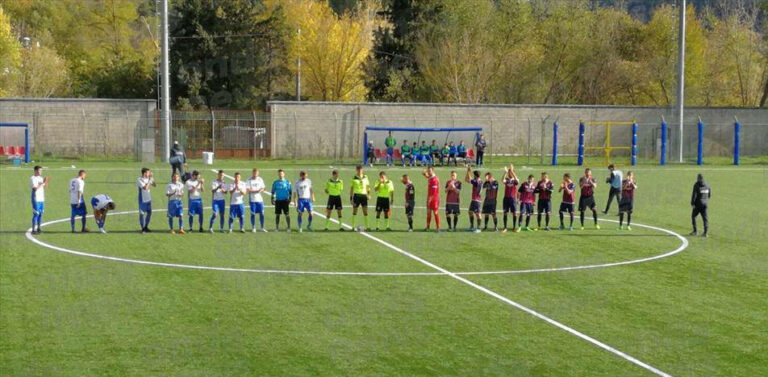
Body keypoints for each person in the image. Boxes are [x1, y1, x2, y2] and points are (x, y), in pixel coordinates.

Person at [349, 165, 371, 231]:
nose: (359, 171)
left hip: (364, 196)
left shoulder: (366, 177)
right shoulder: (354, 178)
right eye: (358, 169)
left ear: (362, 170)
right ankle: (352, 227)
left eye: (360, 169)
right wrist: (351, 198)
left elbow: (368, 187)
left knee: (365, 211)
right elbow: (351, 189)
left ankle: (367, 227)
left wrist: (369, 194)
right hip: (356, 196)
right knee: (354, 211)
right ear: (356, 170)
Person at [29, 165, 49, 234]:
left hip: (41, 198)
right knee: (36, 214)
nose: (41, 171)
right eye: (39, 170)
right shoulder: (33, 178)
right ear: (35, 171)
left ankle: (39, 228)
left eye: (41, 170)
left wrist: (45, 182)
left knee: (41, 213)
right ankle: (33, 229)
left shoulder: (41, 178)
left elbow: (44, 187)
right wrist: (43, 183)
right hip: (36, 198)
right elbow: (35, 189)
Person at [247, 168, 267, 232]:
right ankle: (253, 228)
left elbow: (263, 188)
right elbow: (248, 190)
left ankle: (262, 227)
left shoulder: (260, 179)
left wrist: (261, 190)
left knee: (262, 213)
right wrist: (256, 191)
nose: (255, 174)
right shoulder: (249, 180)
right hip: (252, 200)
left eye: (256, 173)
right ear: (252, 173)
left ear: (258, 173)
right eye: (254, 173)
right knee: (253, 214)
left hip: (260, 200)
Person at [137, 167, 156, 233]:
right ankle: (143, 228)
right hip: (142, 199)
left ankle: (146, 227)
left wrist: (152, 179)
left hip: (148, 199)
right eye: (148, 172)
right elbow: (145, 188)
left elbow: (154, 185)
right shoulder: (139, 180)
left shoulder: (149, 179)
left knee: (149, 213)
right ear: (144, 173)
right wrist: (149, 181)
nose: (149, 173)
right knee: (142, 214)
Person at [501, 164, 519, 233]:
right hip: (506, 198)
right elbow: (502, 180)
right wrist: (505, 172)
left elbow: (517, 181)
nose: (509, 173)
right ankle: (505, 227)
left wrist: (512, 171)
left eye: (510, 172)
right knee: (505, 213)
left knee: (514, 213)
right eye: (509, 173)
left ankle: (514, 227)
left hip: (513, 198)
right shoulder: (507, 179)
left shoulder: (515, 180)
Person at [423, 166, 441, 232]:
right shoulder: (431, 178)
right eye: (428, 171)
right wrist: (424, 174)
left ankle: (438, 228)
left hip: (434, 199)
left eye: (430, 171)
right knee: (428, 213)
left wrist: (430, 199)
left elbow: (434, 191)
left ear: (433, 171)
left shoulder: (435, 179)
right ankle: (428, 227)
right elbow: (428, 177)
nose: (429, 172)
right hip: (429, 198)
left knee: (435, 213)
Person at [465, 167, 483, 232]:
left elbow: (466, 179)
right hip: (474, 200)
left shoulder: (476, 182)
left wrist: (468, 172)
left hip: (476, 200)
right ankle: (472, 226)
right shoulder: (479, 181)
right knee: (470, 212)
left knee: (478, 214)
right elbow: (471, 179)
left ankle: (479, 228)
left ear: (475, 175)